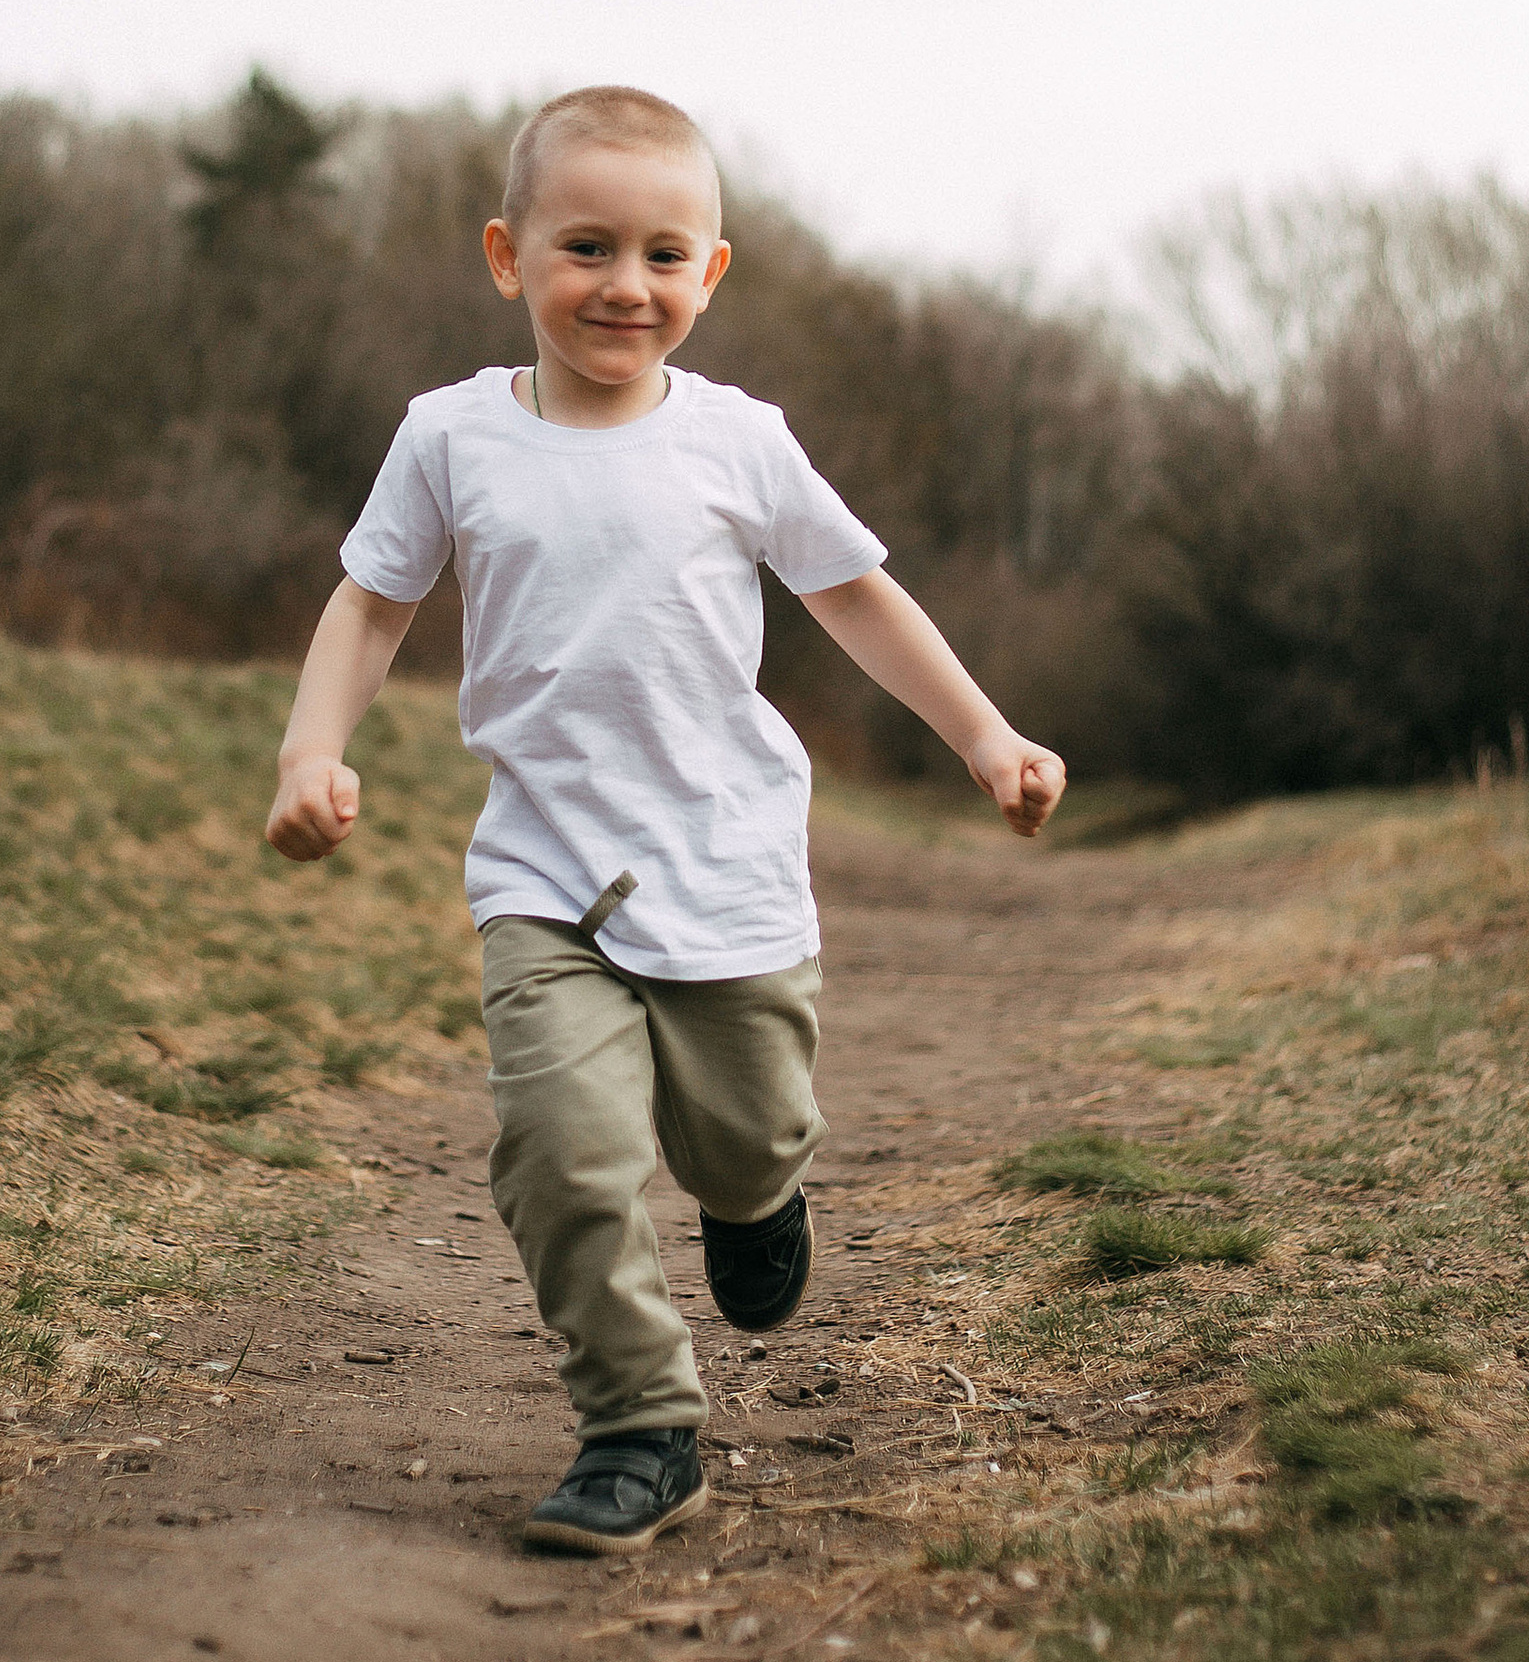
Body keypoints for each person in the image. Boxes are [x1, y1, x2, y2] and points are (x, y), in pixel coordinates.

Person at [264, 84, 1065, 1553]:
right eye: (585, 248)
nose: (622, 285)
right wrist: (309, 754)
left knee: (750, 1137)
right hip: (545, 877)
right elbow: (372, 604)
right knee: (564, 1154)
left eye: (659, 254)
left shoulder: (741, 441)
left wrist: (985, 734)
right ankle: (638, 1422)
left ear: (711, 271)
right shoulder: (450, 438)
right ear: (509, 259)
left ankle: (759, 1202)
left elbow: (854, 597)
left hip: (731, 863)